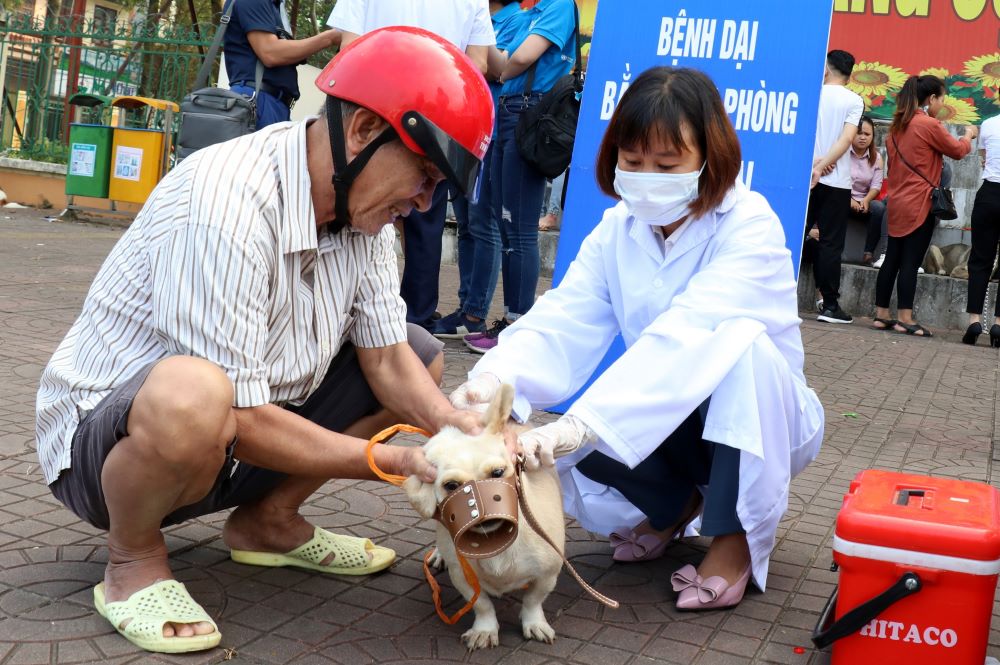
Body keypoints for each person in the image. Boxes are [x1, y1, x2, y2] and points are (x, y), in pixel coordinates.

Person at [35, 27, 494, 654]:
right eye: (425, 173)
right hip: (112, 445)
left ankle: (268, 524)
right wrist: (390, 460)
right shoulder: (225, 203)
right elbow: (238, 412)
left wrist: (454, 427)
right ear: (362, 130)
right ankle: (132, 559)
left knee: (421, 353)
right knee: (194, 391)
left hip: (236, 430)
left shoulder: (365, 223)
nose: (422, 203)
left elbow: (387, 359)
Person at [450, 67, 824, 611]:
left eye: (667, 165)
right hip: (672, 409)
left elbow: (689, 335)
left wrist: (581, 425)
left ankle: (735, 538)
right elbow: (565, 317)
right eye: (632, 161)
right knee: (590, 428)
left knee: (737, 349)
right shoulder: (616, 228)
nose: (646, 177)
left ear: (709, 158)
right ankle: (672, 506)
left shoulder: (750, 224)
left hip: (762, 420)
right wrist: (492, 383)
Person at [328, 0, 496, 333]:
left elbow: (349, 48)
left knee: (353, 208)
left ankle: (340, 309)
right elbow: (478, 64)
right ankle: (413, 320)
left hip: (375, 111)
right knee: (424, 221)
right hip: (439, 116)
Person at [464, 0, 578, 354]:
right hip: (510, 114)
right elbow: (500, 68)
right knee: (506, 225)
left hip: (531, 114)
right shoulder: (531, 13)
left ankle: (518, 321)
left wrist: (504, 62)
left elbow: (521, 58)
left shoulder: (558, 5)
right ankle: (511, 321)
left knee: (521, 229)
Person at [434, 0, 529, 339]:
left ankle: (475, 313)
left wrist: (475, 56)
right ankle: (464, 306)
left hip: (489, 130)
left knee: (482, 222)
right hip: (459, 128)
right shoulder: (476, 18)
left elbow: (498, 68)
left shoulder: (517, 20)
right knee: (465, 223)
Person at [873, 74, 977, 337]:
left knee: (891, 260)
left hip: (896, 203)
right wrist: (968, 136)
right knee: (910, 262)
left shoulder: (896, 128)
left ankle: (881, 314)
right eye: (941, 99)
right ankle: (905, 318)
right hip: (920, 204)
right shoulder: (928, 125)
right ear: (931, 99)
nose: (942, 104)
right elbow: (956, 150)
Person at [808, 50, 864, 324]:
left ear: (826, 69)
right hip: (836, 182)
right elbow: (846, 141)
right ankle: (830, 306)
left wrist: (814, 164)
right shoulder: (854, 100)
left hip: (805, 178)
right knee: (831, 244)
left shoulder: (811, 92)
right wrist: (825, 164)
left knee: (791, 238)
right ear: (850, 74)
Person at [223, 0, 341, 129]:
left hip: (272, 103)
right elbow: (270, 52)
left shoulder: (274, 6)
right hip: (258, 99)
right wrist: (329, 38)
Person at [963, 112, 1000, 346]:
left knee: (979, 261)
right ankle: (998, 324)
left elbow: (985, 160)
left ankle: (974, 321)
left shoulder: (988, 124)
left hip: (989, 194)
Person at [850, 116, 885, 267]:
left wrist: (866, 200)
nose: (863, 137)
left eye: (867, 134)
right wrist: (849, 200)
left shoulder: (877, 158)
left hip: (863, 201)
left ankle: (868, 253)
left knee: (879, 208)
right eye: (859, 133)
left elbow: (876, 186)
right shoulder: (842, 152)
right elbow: (837, 180)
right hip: (841, 197)